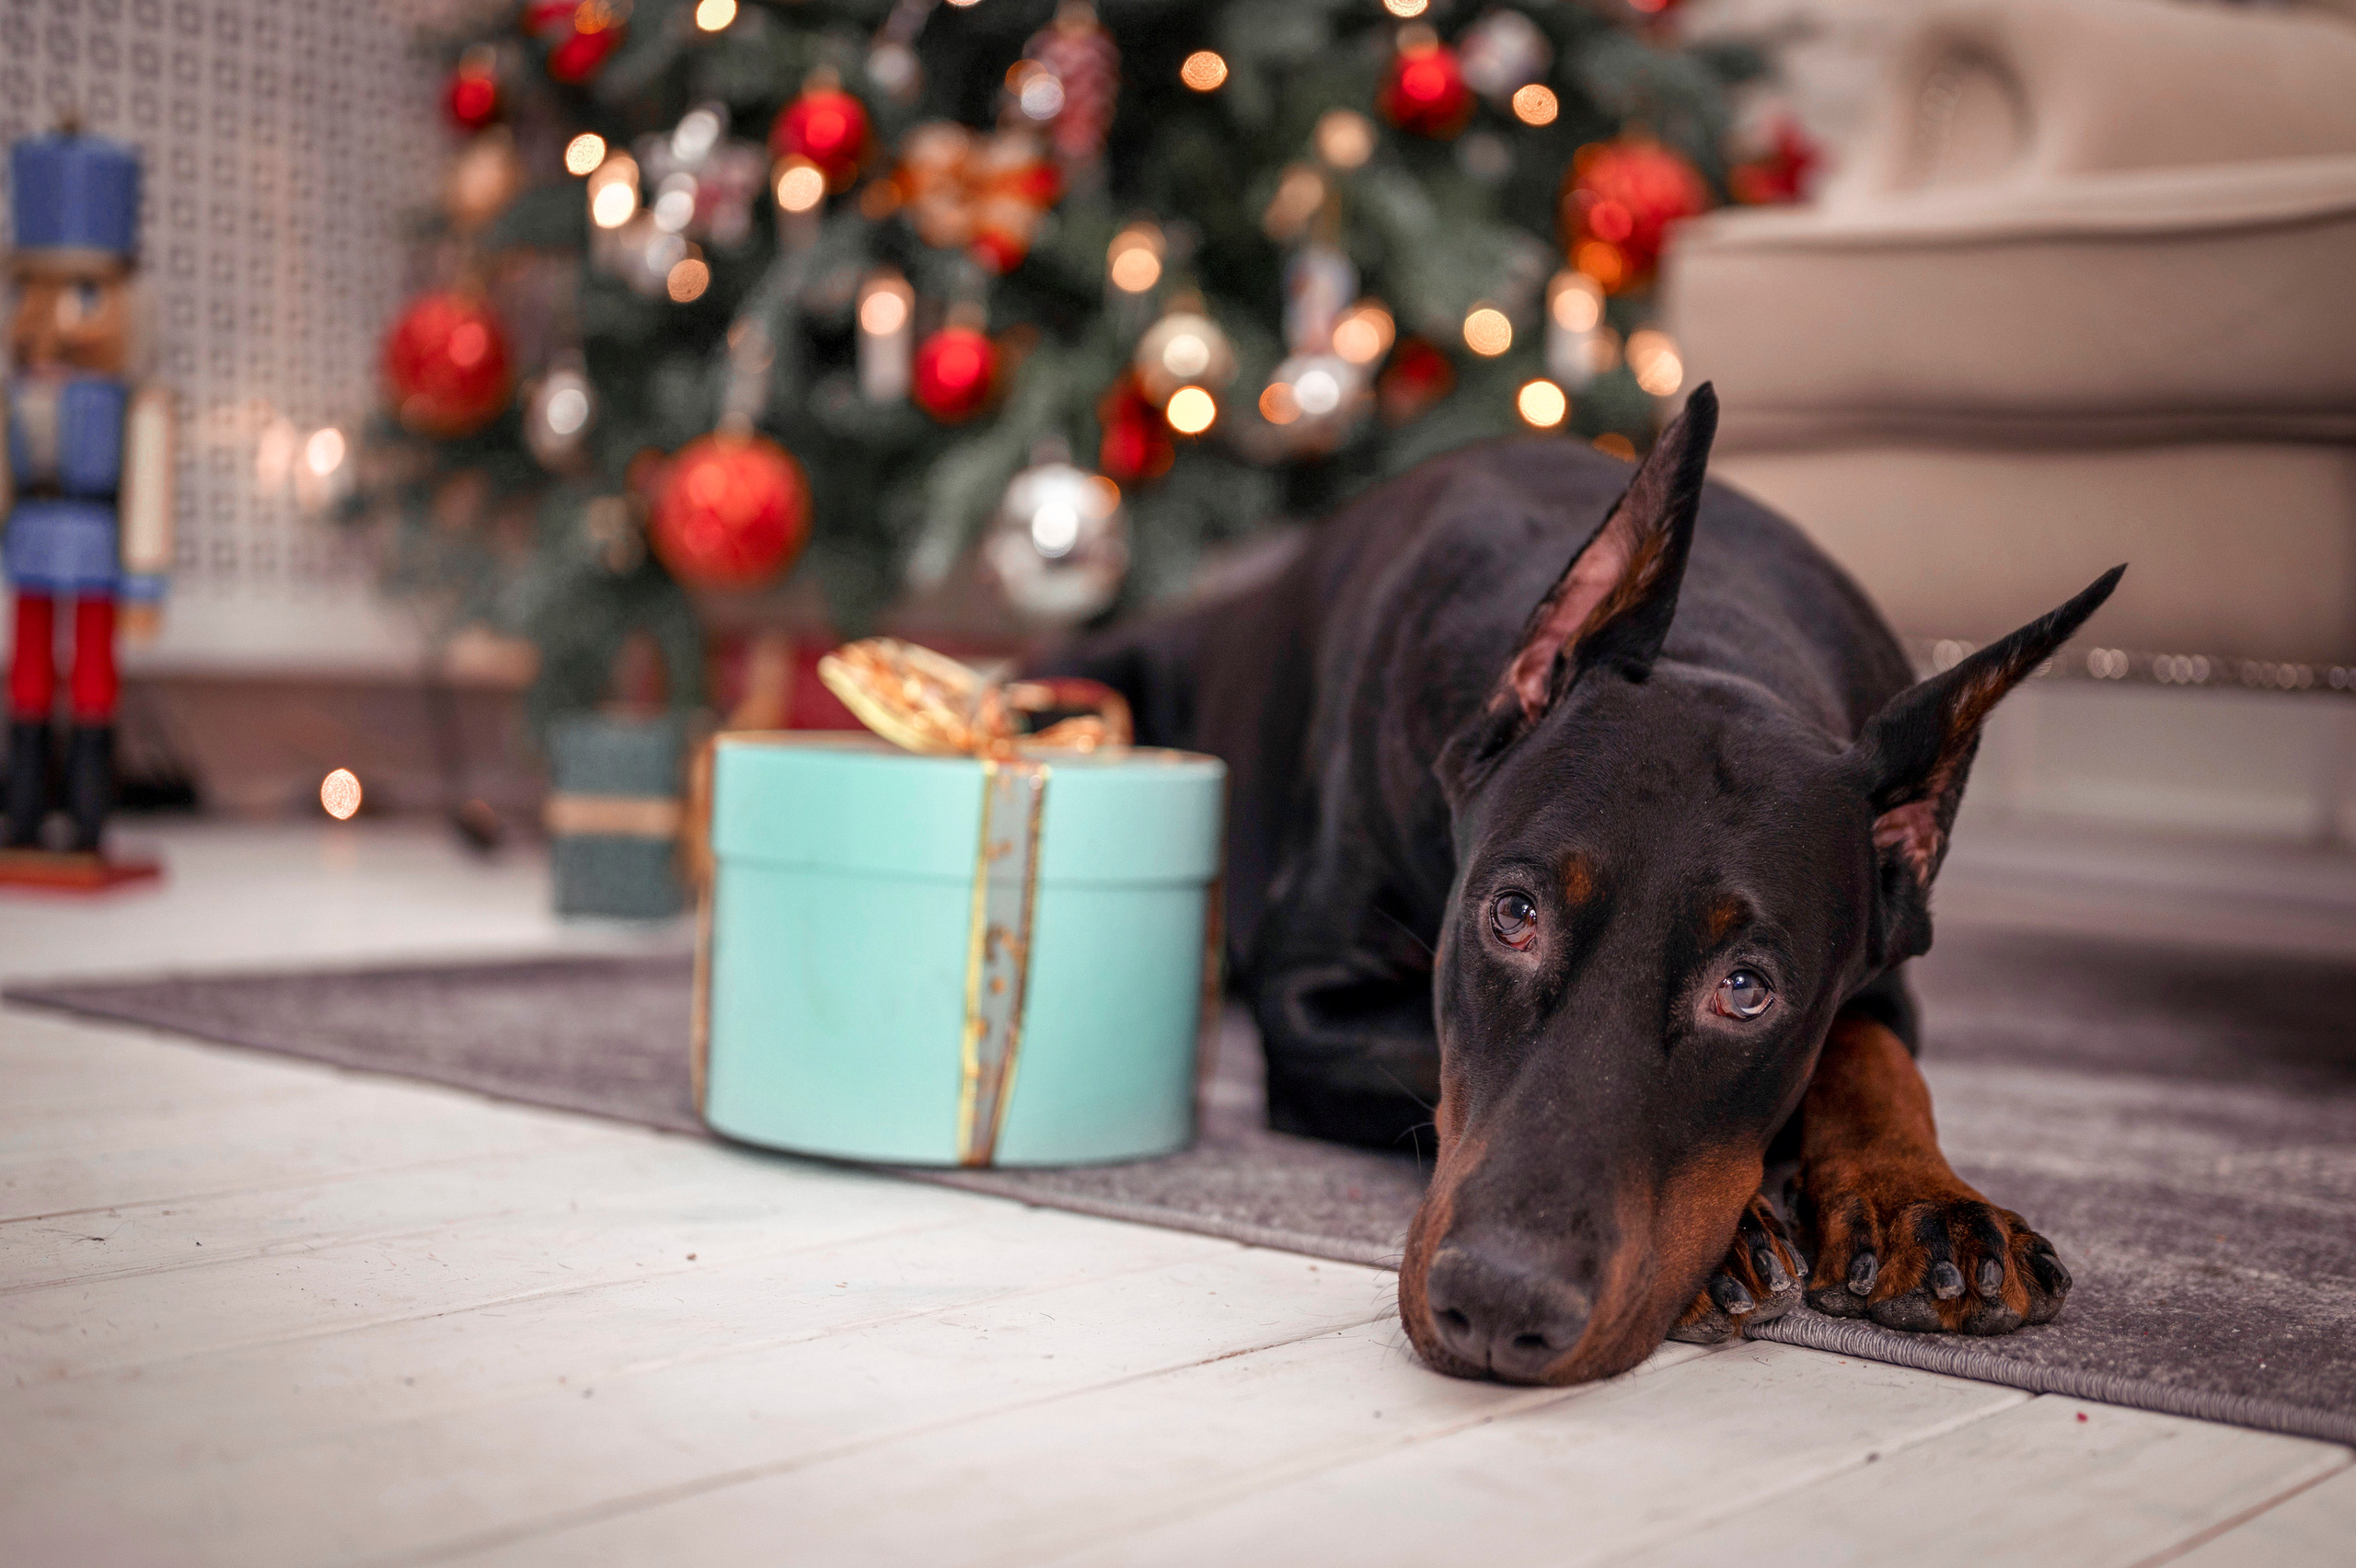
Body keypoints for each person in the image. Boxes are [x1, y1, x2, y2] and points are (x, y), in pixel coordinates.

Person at [3, 127, 173, 855]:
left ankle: (89, 809)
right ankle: (26, 806)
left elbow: (146, 488)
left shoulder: (132, 404)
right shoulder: (15, 397)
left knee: (97, 673)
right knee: (30, 669)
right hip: (33, 537)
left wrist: (145, 581)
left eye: (83, 291)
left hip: (100, 543)